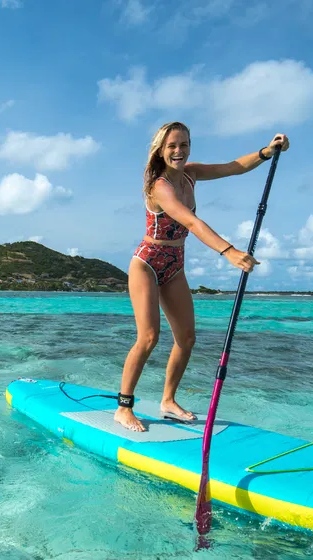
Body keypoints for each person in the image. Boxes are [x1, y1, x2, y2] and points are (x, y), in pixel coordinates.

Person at [114, 121, 290, 432]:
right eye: (172, 146)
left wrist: (266, 152)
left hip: (175, 264)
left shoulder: (191, 174)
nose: (178, 151)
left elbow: (232, 167)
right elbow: (192, 222)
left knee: (187, 338)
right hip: (147, 263)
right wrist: (229, 251)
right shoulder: (159, 186)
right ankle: (123, 407)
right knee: (149, 337)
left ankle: (167, 401)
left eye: (183, 145)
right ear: (160, 150)